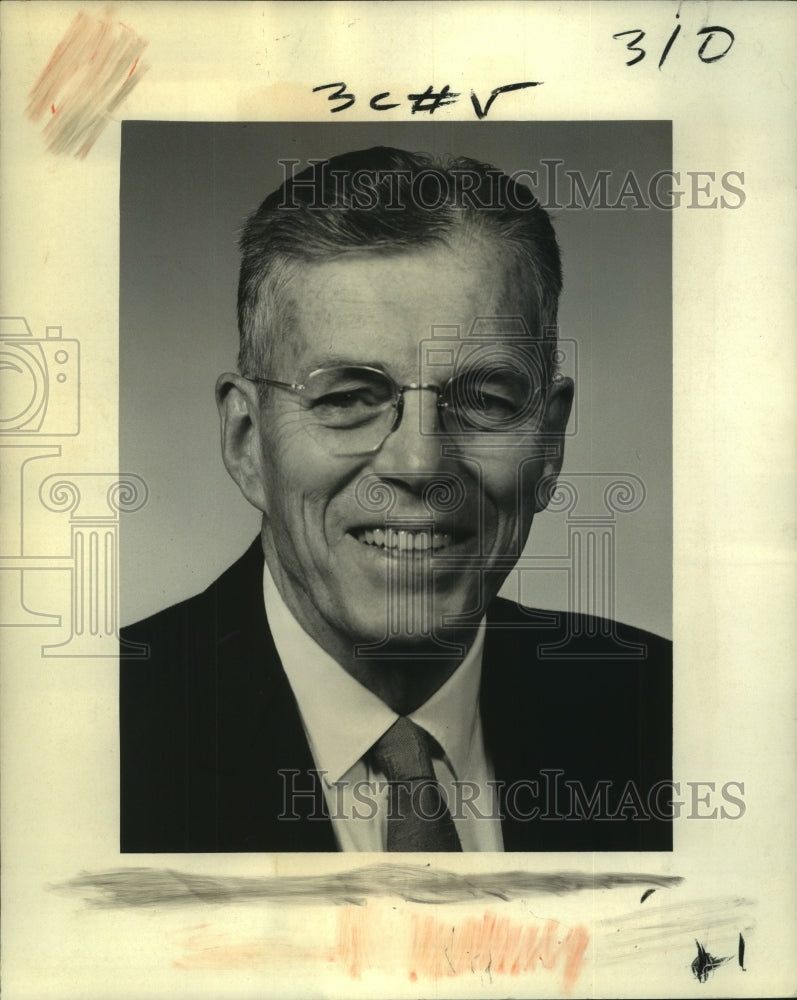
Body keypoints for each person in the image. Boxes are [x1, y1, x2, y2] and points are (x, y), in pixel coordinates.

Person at [120, 146, 671, 853]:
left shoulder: (670, 715)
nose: (420, 462)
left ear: (549, 438)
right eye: (349, 397)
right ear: (246, 439)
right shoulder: (82, 739)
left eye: (483, 399)